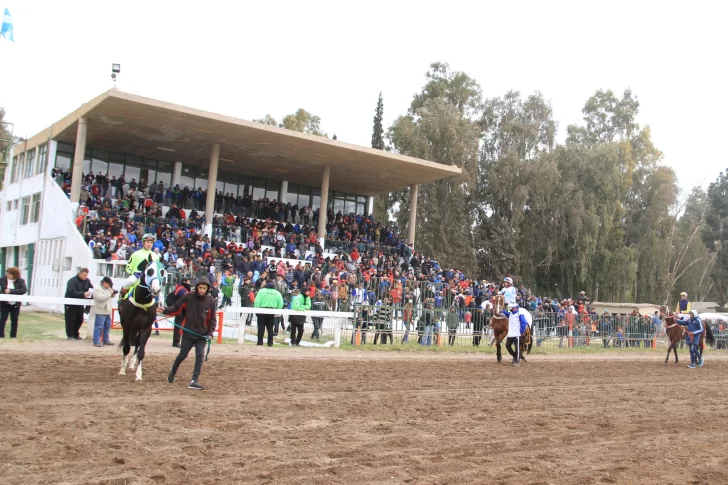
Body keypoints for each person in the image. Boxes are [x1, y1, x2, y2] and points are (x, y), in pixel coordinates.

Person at [162, 276, 218, 390]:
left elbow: (212, 319)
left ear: (207, 289)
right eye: (200, 287)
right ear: (197, 287)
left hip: (202, 335)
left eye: (204, 288)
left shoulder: (211, 301)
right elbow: (176, 308)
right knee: (182, 355)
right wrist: (165, 310)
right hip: (188, 333)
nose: (202, 290)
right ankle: (173, 369)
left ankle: (194, 380)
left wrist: (210, 333)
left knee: (200, 356)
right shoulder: (188, 297)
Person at [120, 234, 159, 298]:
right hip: (137, 277)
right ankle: (122, 297)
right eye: (147, 242)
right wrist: (134, 273)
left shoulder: (156, 256)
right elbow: (128, 268)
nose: (149, 244)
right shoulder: (135, 254)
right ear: (143, 243)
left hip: (150, 279)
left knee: (160, 292)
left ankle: (159, 305)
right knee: (129, 281)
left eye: (151, 242)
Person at [64, 268, 93, 340]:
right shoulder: (72, 281)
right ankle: (70, 335)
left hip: (80, 304)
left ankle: (76, 334)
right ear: (80, 273)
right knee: (70, 320)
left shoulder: (87, 281)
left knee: (80, 319)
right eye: (84, 275)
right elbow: (71, 292)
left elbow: (91, 289)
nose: (85, 277)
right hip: (71, 304)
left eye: (86, 275)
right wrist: (83, 294)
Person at [253, 280, 284, 347]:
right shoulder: (277, 293)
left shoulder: (261, 291)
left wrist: (257, 310)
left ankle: (260, 342)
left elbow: (257, 301)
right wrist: (277, 311)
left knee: (261, 327)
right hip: (272, 311)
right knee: (270, 328)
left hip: (262, 311)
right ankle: (270, 343)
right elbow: (280, 303)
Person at [0, 267, 27, 338]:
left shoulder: (20, 281)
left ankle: (13, 336)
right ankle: (1, 336)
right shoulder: (3, 279)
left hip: (15, 304)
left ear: (14, 275)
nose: (8, 275)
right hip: (5, 303)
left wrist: (11, 291)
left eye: (10, 274)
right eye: (7, 273)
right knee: (3, 319)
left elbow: (23, 290)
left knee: (14, 320)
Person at [501, 302, 529, 367]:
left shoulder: (520, 314)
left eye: (512, 308)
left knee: (517, 348)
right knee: (507, 345)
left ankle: (517, 361)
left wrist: (521, 331)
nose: (510, 309)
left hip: (517, 334)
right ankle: (515, 356)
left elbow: (524, 322)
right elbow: (506, 313)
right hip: (511, 334)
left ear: (515, 308)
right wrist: (502, 311)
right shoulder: (510, 314)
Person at [92, 276, 116, 347]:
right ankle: (96, 341)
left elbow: (107, 297)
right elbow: (99, 298)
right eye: (109, 284)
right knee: (99, 326)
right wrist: (109, 293)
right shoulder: (97, 288)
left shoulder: (107, 289)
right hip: (100, 310)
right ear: (104, 283)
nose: (109, 286)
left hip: (107, 310)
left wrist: (112, 295)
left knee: (107, 326)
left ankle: (105, 340)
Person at [169, 277, 191, 348]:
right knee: (178, 326)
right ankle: (176, 342)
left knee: (184, 326)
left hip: (183, 310)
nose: (189, 283)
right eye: (188, 282)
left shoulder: (182, 289)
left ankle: (185, 341)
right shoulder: (181, 290)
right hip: (180, 310)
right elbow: (186, 298)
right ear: (184, 282)